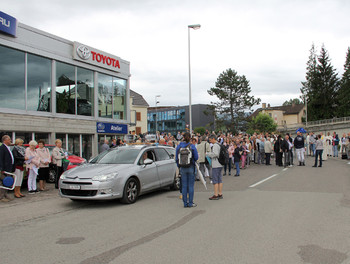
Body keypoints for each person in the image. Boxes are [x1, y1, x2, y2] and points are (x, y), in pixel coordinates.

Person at [175, 132, 198, 208]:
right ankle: (190, 202)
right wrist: (193, 161)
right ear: (190, 138)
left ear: (183, 137)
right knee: (191, 186)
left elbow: (176, 158)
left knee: (184, 186)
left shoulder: (179, 146)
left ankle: (185, 203)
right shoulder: (192, 146)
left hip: (182, 167)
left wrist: (179, 166)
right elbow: (196, 157)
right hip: (190, 166)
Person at [206, 135, 223, 200]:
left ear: (213, 139)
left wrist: (208, 154)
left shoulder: (215, 145)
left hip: (216, 164)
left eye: (210, 140)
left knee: (215, 180)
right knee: (220, 179)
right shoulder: (219, 144)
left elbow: (215, 154)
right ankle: (220, 193)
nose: (210, 141)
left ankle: (216, 194)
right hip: (220, 164)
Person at [0, 135, 15, 202]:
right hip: (4, 169)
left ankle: (5, 194)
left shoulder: (7, 147)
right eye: (9, 139)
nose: (10, 141)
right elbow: (1, 159)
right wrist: (2, 168)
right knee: (4, 182)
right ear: (5, 140)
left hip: (9, 168)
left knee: (7, 182)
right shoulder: (2, 148)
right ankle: (1, 197)